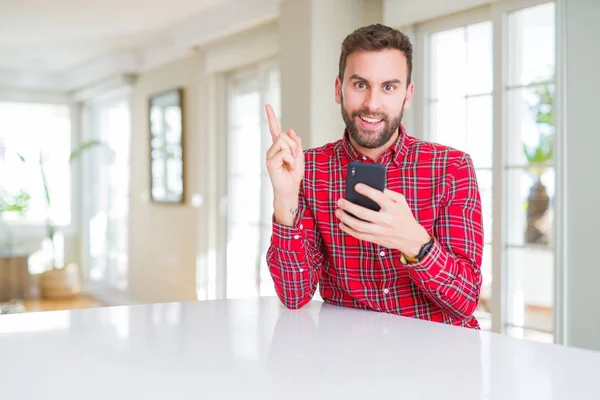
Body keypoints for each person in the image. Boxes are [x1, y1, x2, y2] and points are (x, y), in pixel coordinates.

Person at [264, 23, 484, 329]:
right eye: (360, 85)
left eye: (389, 87)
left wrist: (415, 243)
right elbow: (293, 295)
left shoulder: (452, 167)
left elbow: (465, 300)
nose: (372, 104)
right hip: (349, 359)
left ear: (408, 95)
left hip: (437, 362)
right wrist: (285, 199)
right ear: (338, 89)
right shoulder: (309, 169)